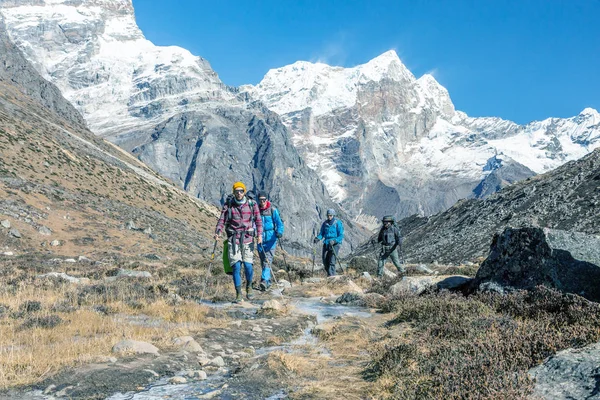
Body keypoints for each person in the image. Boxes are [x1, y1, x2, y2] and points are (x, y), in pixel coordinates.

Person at [214, 182, 263, 303]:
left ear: (244, 191)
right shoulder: (229, 205)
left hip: (248, 239)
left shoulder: (252, 204)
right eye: (237, 191)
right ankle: (238, 294)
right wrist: (218, 231)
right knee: (236, 266)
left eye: (241, 191)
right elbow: (222, 219)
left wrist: (260, 235)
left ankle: (249, 287)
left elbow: (258, 220)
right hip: (233, 239)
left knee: (248, 265)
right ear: (234, 192)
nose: (239, 193)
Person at [256, 191, 284, 291]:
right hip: (260, 239)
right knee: (263, 260)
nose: (262, 201)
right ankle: (267, 282)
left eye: (264, 199)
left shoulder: (272, 210)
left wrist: (279, 232)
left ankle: (263, 280)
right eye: (260, 200)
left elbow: (279, 223)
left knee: (267, 260)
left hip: (271, 239)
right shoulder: (257, 210)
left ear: (267, 199)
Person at [314, 209, 344, 276]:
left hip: (335, 244)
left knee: (332, 261)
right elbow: (322, 233)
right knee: (325, 260)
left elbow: (341, 235)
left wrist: (334, 241)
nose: (329, 217)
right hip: (327, 243)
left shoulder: (337, 223)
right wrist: (318, 238)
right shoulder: (325, 224)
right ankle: (329, 274)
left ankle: (332, 276)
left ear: (333, 215)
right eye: (328, 215)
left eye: (330, 215)